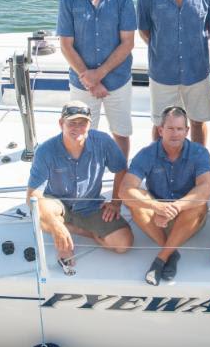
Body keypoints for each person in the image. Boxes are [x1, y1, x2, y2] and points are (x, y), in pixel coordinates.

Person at [57, 0, 136, 159]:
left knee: (121, 133)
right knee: (84, 134)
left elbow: (128, 42)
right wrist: (89, 79)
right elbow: (65, 45)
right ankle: (88, 183)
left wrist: (98, 75)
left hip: (117, 81)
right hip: (82, 83)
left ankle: (120, 184)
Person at [26, 101, 133, 266]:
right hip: (57, 204)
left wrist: (116, 203)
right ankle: (59, 232)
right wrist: (55, 225)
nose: (77, 127)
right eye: (72, 123)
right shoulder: (45, 151)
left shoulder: (103, 142)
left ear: (90, 124)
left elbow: (121, 169)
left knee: (123, 244)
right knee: (40, 209)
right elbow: (32, 195)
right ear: (61, 124)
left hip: (89, 205)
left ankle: (71, 229)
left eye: (83, 123)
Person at [137, 0, 210, 146]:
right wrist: (164, 49)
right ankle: (158, 166)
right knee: (161, 126)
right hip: (162, 74)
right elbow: (145, 31)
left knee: (198, 122)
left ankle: (200, 166)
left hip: (197, 72)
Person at [121, 106, 210, 286]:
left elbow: (205, 189)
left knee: (199, 204)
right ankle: (172, 251)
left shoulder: (199, 152)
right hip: (157, 217)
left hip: (186, 214)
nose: (175, 134)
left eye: (180, 129)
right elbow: (125, 190)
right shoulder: (146, 153)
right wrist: (157, 207)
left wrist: (176, 207)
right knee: (134, 203)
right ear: (160, 130)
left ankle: (161, 258)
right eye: (170, 128)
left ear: (187, 131)